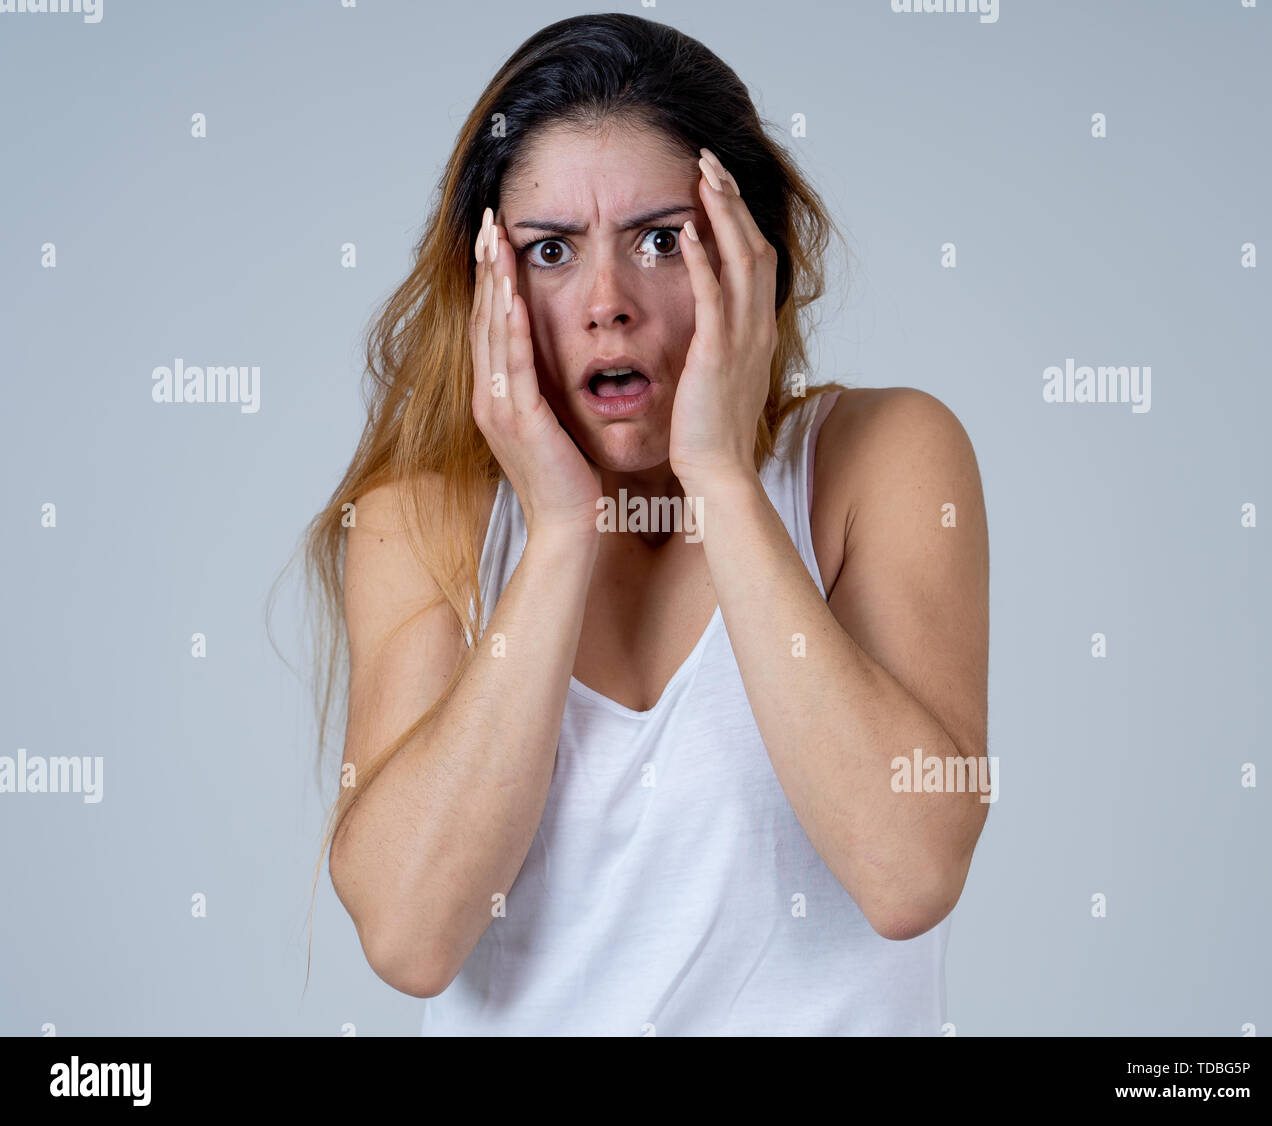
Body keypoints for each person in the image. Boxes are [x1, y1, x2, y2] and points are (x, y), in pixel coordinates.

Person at [298, 12, 990, 1035]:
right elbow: (410, 936)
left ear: (751, 253)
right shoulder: (422, 526)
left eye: (660, 240)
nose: (606, 303)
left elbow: (909, 871)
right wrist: (561, 531)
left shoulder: (880, 458)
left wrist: (715, 473)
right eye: (550, 250)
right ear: (490, 281)